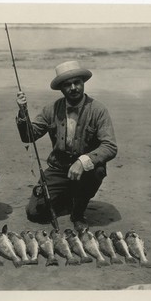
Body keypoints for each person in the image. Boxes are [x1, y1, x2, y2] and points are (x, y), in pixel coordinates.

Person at [15, 61, 117, 231]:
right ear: (61, 89)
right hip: (58, 168)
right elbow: (28, 136)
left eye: (77, 82)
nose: (73, 88)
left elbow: (110, 146)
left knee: (97, 171)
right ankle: (68, 195)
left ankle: (78, 212)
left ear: (83, 83)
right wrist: (22, 112)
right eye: (67, 84)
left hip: (86, 170)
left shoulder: (98, 110)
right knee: (35, 213)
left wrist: (83, 161)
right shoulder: (51, 109)